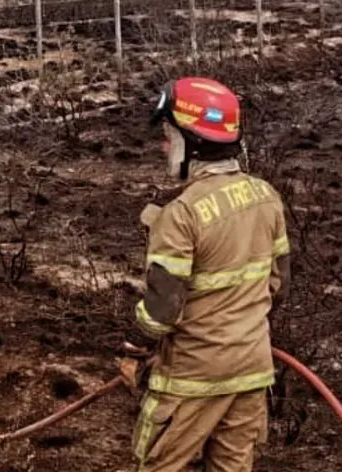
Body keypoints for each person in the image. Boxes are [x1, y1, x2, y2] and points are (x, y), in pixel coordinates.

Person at [131, 77, 291, 472]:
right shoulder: (266, 196)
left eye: (169, 136)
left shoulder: (181, 214)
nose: (163, 146)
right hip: (252, 371)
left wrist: (137, 338)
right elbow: (279, 284)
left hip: (192, 378)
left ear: (193, 140)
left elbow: (162, 312)